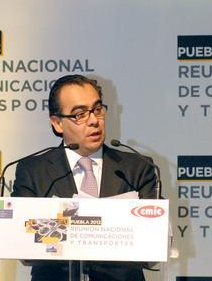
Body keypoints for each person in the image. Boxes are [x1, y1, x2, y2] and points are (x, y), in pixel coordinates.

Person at [12, 74, 158, 281]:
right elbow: (23, 237)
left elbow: (153, 237)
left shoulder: (138, 167)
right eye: (80, 114)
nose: (94, 121)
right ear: (57, 123)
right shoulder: (33, 171)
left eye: (97, 110)